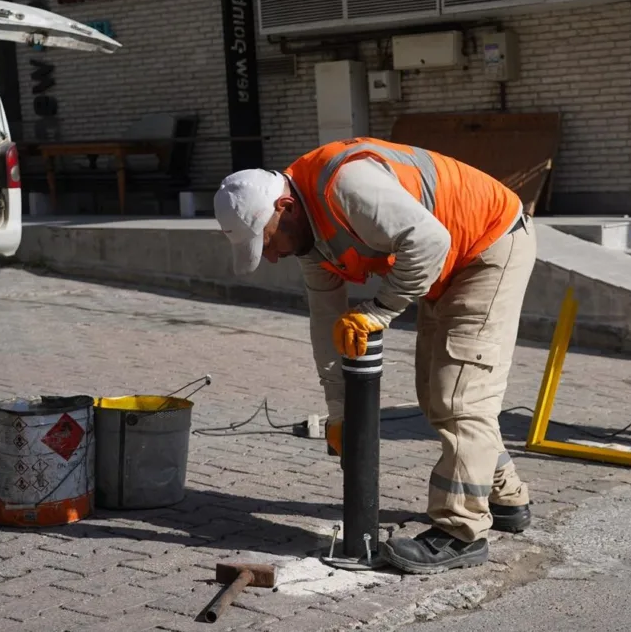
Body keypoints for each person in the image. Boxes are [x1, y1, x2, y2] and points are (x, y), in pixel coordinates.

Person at [212, 137, 535, 574]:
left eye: (268, 242)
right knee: (438, 394)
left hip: (489, 244)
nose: (271, 257)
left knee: (459, 399)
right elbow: (328, 330)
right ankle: (507, 497)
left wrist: (380, 311)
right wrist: (339, 412)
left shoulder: (346, 185)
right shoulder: (311, 241)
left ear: (286, 207)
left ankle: (460, 532)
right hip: (449, 263)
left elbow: (429, 240)